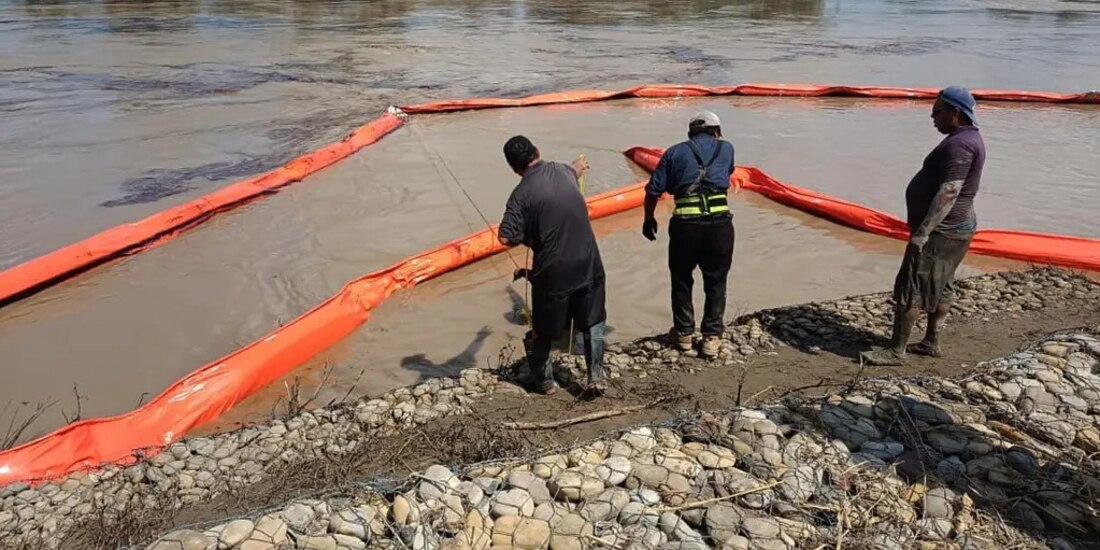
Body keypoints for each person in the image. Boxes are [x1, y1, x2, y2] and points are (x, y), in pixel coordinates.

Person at [861, 86, 986, 366]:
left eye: (937, 112)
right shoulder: (969, 139)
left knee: (913, 286)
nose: (932, 118)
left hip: (942, 231)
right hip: (959, 227)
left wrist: (924, 231)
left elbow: (950, 190)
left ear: (955, 113)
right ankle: (931, 341)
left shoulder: (959, 145)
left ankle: (896, 350)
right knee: (942, 284)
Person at [498, 135, 608, 395]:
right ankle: (595, 379)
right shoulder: (562, 171)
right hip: (588, 262)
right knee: (594, 321)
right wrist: (579, 164)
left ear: (513, 168)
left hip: (552, 272)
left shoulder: (520, 195)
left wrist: (529, 235)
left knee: (543, 329)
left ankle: (545, 383)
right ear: (537, 151)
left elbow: (505, 237)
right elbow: (574, 170)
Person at [642, 111, 736, 358]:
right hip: (720, 226)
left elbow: (653, 191)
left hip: (685, 227)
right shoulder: (726, 148)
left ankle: (684, 334)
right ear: (716, 132)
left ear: (690, 133)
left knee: (682, 279)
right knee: (716, 281)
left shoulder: (674, 152)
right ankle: (711, 337)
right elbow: (726, 173)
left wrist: (649, 219)